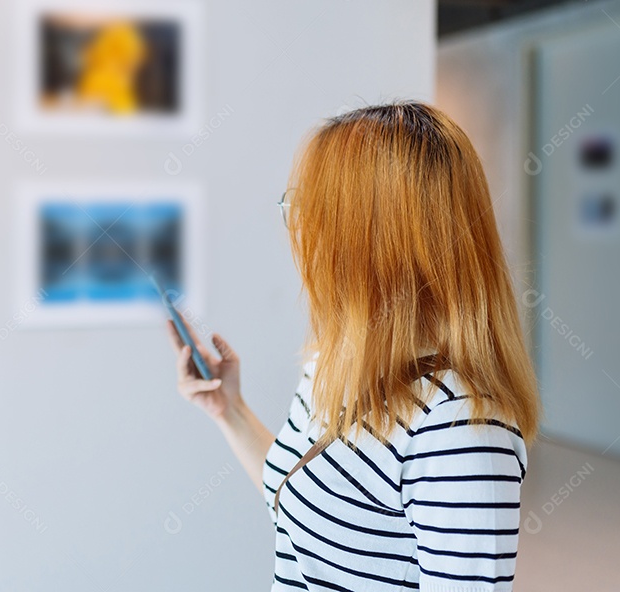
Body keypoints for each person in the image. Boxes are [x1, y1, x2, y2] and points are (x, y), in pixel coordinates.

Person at [167, 101, 540, 592]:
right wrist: (229, 410)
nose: (297, 229)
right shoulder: (333, 359)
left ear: (371, 238)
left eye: (309, 210)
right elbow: (308, 500)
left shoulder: (460, 426)